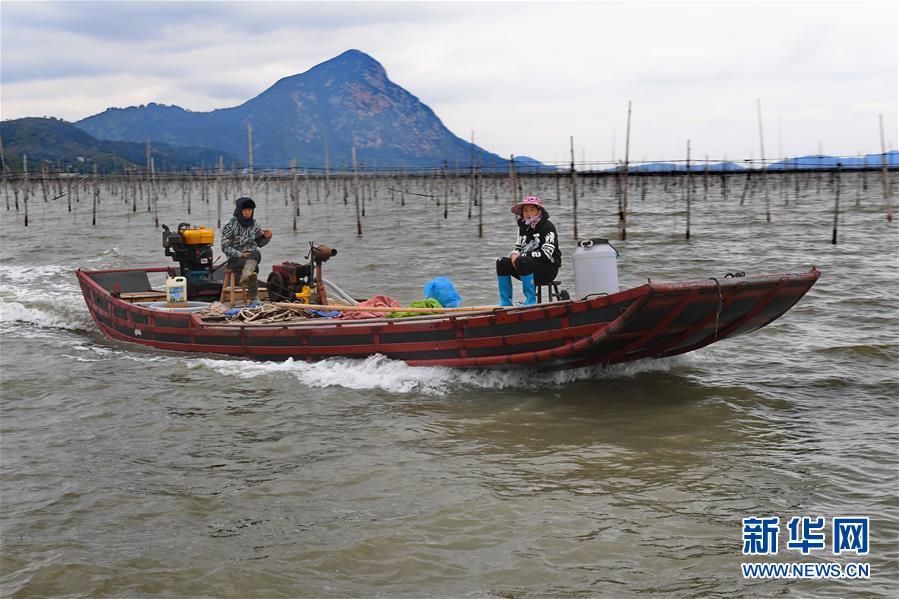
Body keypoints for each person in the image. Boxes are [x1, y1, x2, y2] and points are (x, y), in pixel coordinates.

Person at [496, 195, 561, 306]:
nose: (528, 213)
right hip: (526, 266)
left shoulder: (548, 227)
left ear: (539, 211)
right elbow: (518, 248)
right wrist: (513, 254)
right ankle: (505, 301)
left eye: (532, 209)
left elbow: (546, 254)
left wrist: (523, 255)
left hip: (548, 269)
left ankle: (531, 300)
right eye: (525, 210)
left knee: (522, 260)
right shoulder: (523, 227)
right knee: (501, 262)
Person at [221, 197, 272, 302]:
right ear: (239, 210)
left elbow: (260, 243)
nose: (247, 212)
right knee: (254, 267)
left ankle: (246, 275)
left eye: (250, 210)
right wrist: (241, 254)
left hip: (251, 257)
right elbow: (224, 247)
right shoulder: (230, 225)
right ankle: (254, 298)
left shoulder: (254, 225)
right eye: (245, 210)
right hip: (235, 258)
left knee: (256, 253)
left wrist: (267, 237)